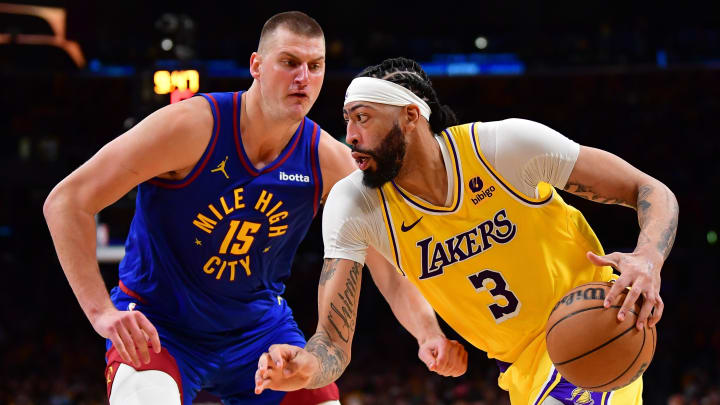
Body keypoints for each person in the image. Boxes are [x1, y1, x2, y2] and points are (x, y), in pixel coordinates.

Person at [44, 14, 466, 405]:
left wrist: (428, 333)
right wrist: (101, 312)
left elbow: (386, 264)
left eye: (315, 66)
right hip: (159, 326)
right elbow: (67, 202)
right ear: (257, 65)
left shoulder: (327, 159)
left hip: (259, 333)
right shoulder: (191, 127)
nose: (303, 77)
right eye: (289, 62)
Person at [253, 57, 679, 404]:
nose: (350, 137)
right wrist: (305, 367)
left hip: (596, 321)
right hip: (519, 369)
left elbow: (648, 188)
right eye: (347, 121)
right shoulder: (355, 204)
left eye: (362, 118)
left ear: (409, 116)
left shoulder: (504, 149)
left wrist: (648, 258)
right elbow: (332, 341)